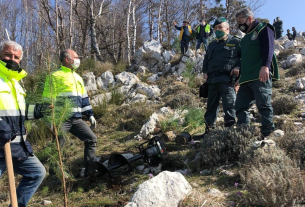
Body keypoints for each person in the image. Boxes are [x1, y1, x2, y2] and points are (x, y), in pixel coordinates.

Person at [0, 41, 46, 206]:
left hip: (16, 147)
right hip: (0, 145)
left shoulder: (15, 82)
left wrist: (40, 110)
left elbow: (19, 113)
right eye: (8, 55)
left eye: (16, 57)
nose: (12, 59)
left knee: (37, 173)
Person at [42, 49, 97, 177]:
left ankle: (89, 170)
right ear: (67, 59)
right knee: (59, 146)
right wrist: (49, 120)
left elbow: (84, 98)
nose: (78, 60)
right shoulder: (54, 76)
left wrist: (90, 115)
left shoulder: (77, 77)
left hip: (77, 119)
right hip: (61, 119)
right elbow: (47, 100)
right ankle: (55, 175)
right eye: (76, 57)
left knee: (91, 139)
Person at [235, 8, 279, 139]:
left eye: (240, 21)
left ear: (249, 19)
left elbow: (269, 48)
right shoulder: (244, 40)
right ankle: (244, 134)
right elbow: (243, 60)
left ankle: (267, 135)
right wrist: (238, 78)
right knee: (240, 107)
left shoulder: (263, 28)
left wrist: (265, 66)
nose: (239, 25)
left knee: (263, 105)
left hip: (260, 76)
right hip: (245, 79)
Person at [201, 17, 241, 134]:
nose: (218, 30)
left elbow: (245, 58)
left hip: (228, 80)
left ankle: (229, 132)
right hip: (212, 80)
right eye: (216, 28)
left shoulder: (236, 41)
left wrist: (239, 68)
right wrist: (205, 72)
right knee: (211, 108)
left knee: (230, 106)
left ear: (227, 29)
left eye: (220, 27)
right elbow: (206, 59)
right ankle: (209, 132)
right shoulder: (212, 45)